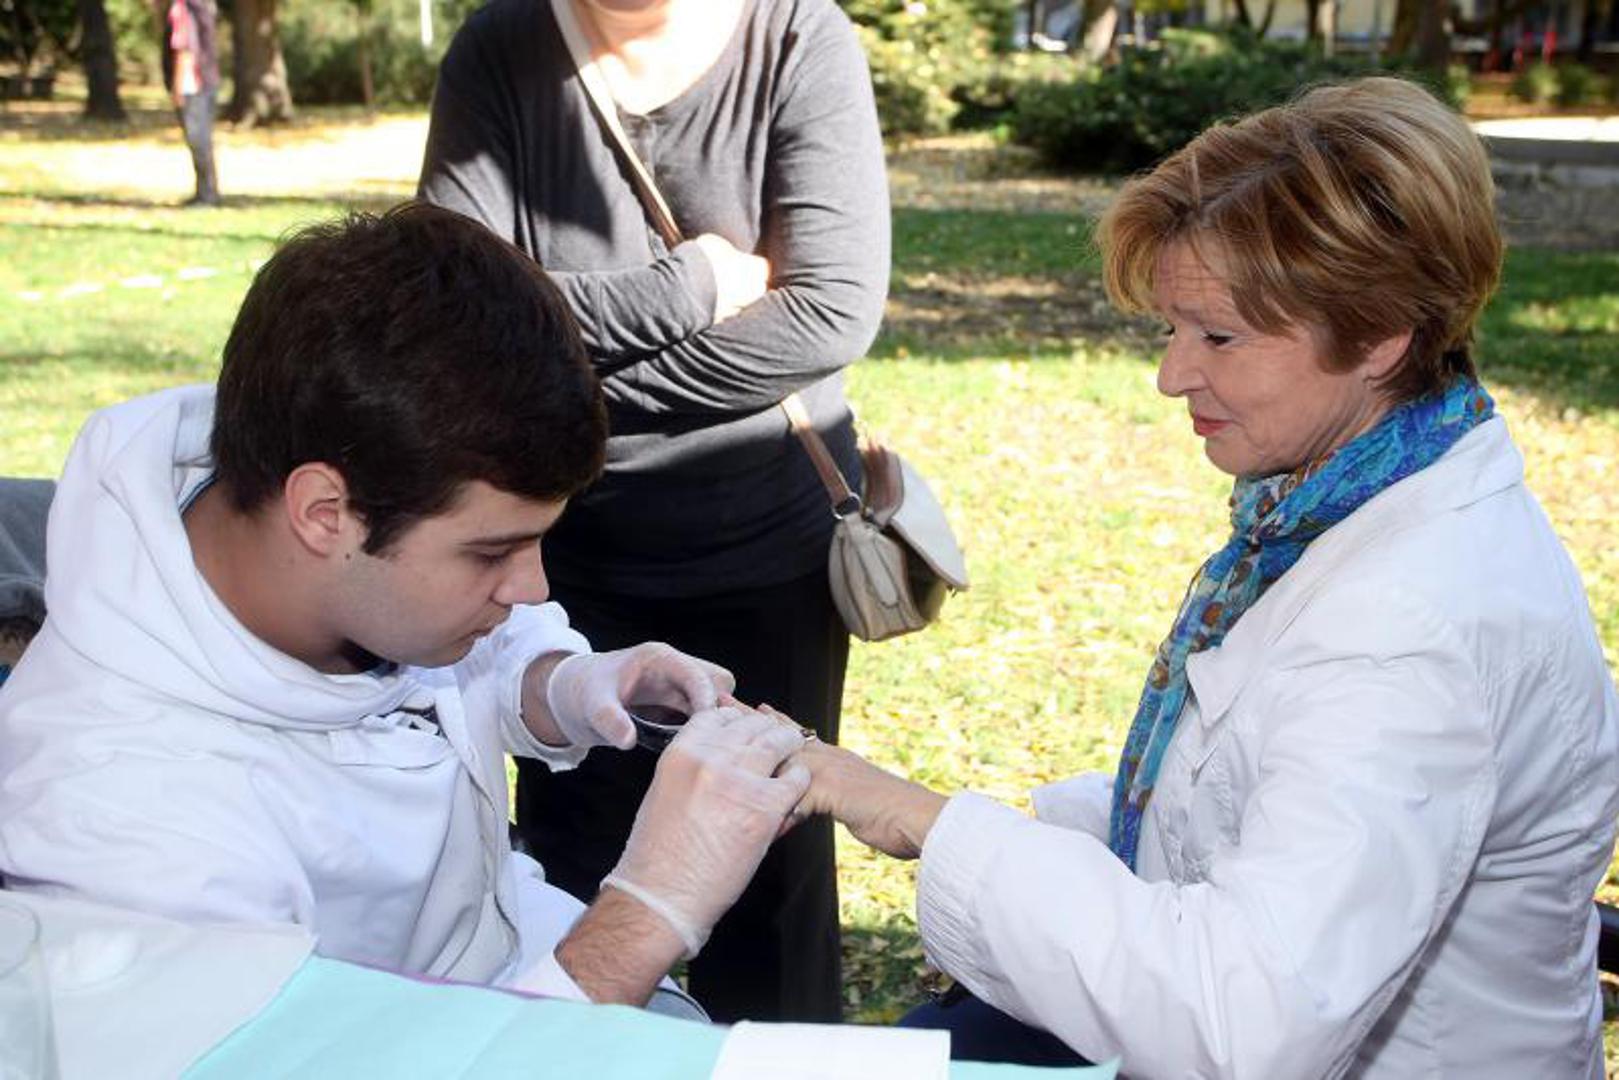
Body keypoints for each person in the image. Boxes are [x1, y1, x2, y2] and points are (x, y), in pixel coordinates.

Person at [781, 77, 1619, 1076]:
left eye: (1217, 336)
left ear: (1380, 335)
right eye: (1170, 330)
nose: (1170, 375)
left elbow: (1243, 1022)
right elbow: (1246, 796)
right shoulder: (1357, 497)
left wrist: (927, 822)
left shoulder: (1404, 627)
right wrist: (957, 824)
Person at [0, 204, 813, 1011]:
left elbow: (444, 656)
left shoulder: (316, 514)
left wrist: (565, 682)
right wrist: (649, 910)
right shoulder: (123, 827)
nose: (532, 589)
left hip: (512, 958)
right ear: (324, 514)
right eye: (490, 553)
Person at [417, 0, 889, 1022]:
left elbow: (827, 313)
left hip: (762, 553)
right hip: (558, 564)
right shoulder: (500, 48)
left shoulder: (797, 36)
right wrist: (692, 286)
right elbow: (456, 307)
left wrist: (560, 391)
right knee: (572, 879)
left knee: (770, 877)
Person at [158, 0, 220, 207]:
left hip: (191, 84)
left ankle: (207, 194)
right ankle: (206, 191)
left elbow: (183, 49)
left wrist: (177, 88)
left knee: (197, 140)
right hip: (207, 80)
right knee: (202, 140)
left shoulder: (181, 9)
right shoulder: (201, 6)